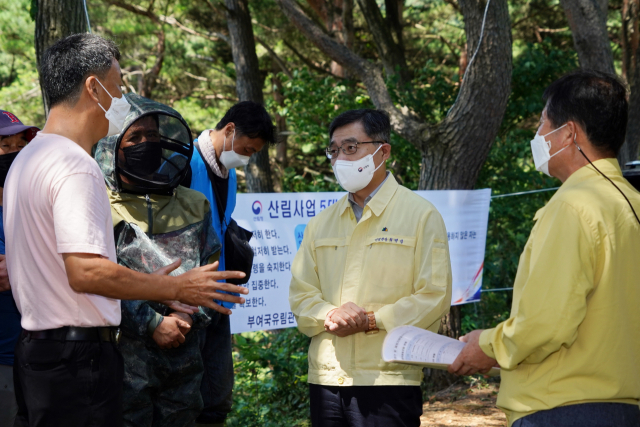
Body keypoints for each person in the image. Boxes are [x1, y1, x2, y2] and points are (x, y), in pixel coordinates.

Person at [5, 33, 248, 427]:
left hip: (37, 353)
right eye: (118, 86)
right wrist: (175, 288)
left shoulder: (28, 159)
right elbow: (85, 272)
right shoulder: (76, 166)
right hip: (77, 360)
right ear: (93, 87)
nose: (121, 100)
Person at [449, 70, 640, 427]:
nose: (537, 136)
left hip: (565, 407)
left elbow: (546, 323)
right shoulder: (631, 201)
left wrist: (486, 346)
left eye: (542, 124)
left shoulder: (573, 206)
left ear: (568, 133)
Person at [289, 109, 452, 427]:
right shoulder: (321, 223)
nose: (340, 159)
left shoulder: (421, 215)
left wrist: (372, 321)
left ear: (383, 151)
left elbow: (434, 296)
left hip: (389, 377)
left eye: (351, 148)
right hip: (326, 379)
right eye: (334, 151)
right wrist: (330, 315)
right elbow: (301, 295)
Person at [95, 93, 224, 427]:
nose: (147, 144)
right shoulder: (96, 207)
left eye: (152, 135)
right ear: (112, 146)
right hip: (122, 363)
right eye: (135, 137)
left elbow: (211, 271)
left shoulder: (195, 204)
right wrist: (152, 324)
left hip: (185, 360)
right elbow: (97, 279)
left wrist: (188, 316)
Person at [188, 101, 275, 427]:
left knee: (219, 395)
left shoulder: (231, 174)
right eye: (247, 148)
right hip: (183, 300)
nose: (247, 157)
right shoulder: (184, 161)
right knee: (184, 398)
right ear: (228, 130)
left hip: (217, 300)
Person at [0, 111, 38, 427]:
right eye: (3, 146)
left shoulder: (31, 204)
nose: (12, 154)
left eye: (18, 146)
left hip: (33, 355)